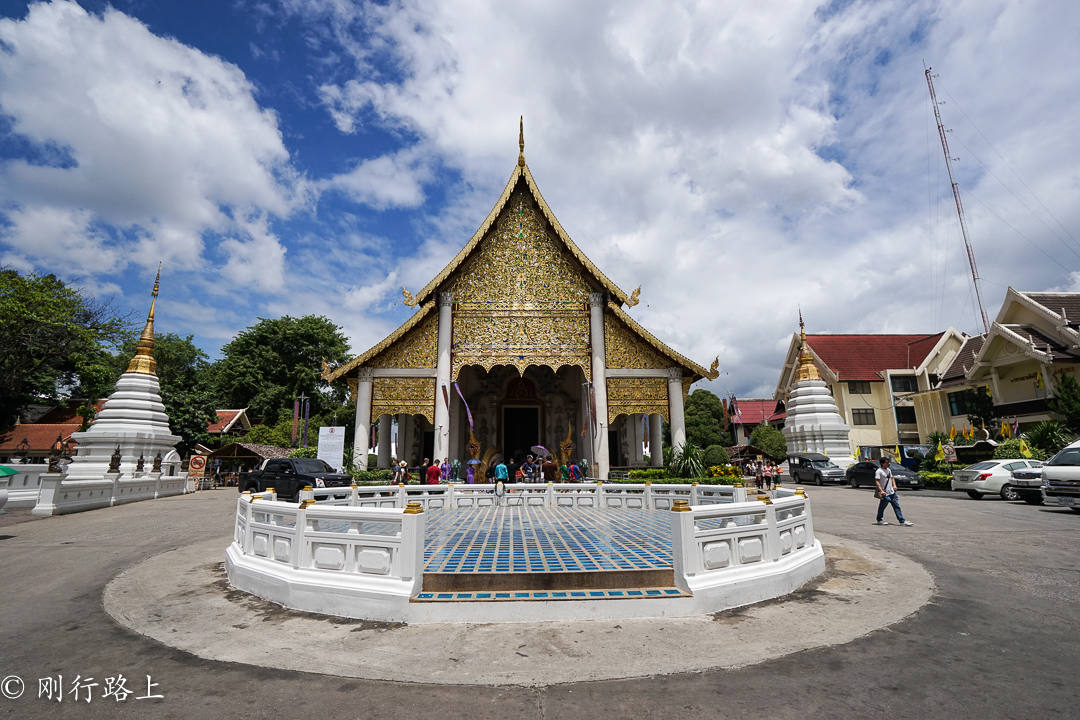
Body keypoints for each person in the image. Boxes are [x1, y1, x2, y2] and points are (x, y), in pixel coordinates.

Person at [875, 457, 913, 526]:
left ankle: (902, 521)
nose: (889, 464)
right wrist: (881, 490)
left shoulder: (889, 470)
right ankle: (879, 519)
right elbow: (877, 481)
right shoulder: (879, 471)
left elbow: (892, 478)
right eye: (887, 463)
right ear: (882, 463)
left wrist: (894, 485)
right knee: (882, 507)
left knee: (897, 506)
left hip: (892, 493)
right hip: (886, 494)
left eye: (889, 462)